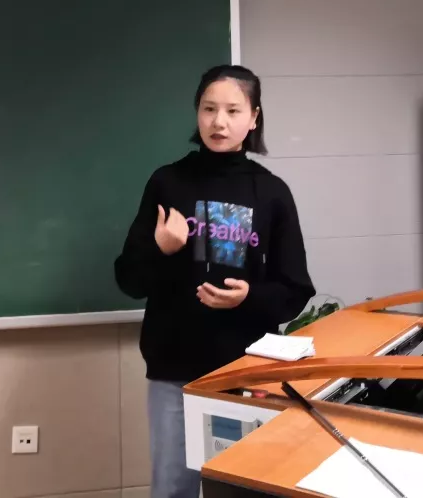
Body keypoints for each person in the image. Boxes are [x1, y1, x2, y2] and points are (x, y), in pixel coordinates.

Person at [114, 64, 315, 498]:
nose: (218, 121)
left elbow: (296, 289)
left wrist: (249, 297)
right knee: (173, 489)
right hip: (174, 371)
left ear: (253, 117)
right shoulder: (167, 182)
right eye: (208, 109)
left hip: (246, 370)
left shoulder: (272, 192)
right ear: (197, 113)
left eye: (232, 110)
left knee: (243, 488)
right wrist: (162, 248)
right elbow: (129, 278)